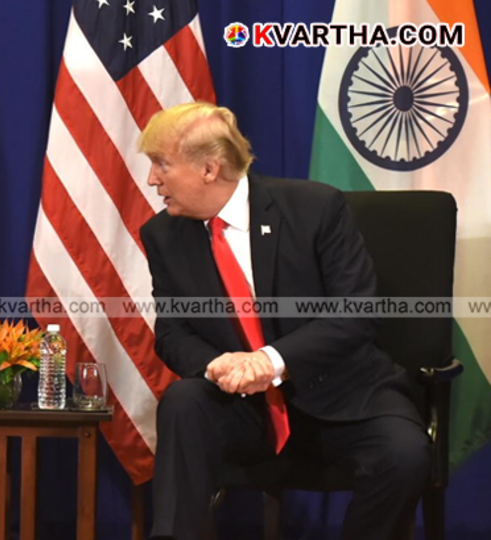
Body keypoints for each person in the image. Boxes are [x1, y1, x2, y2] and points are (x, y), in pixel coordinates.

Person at [139, 103, 428, 540]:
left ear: (208, 169)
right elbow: (173, 331)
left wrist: (271, 361)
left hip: (343, 394)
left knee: (405, 455)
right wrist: (216, 364)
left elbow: (357, 311)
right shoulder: (163, 235)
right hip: (244, 408)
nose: (152, 179)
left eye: (161, 164)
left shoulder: (315, 208)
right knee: (184, 401)